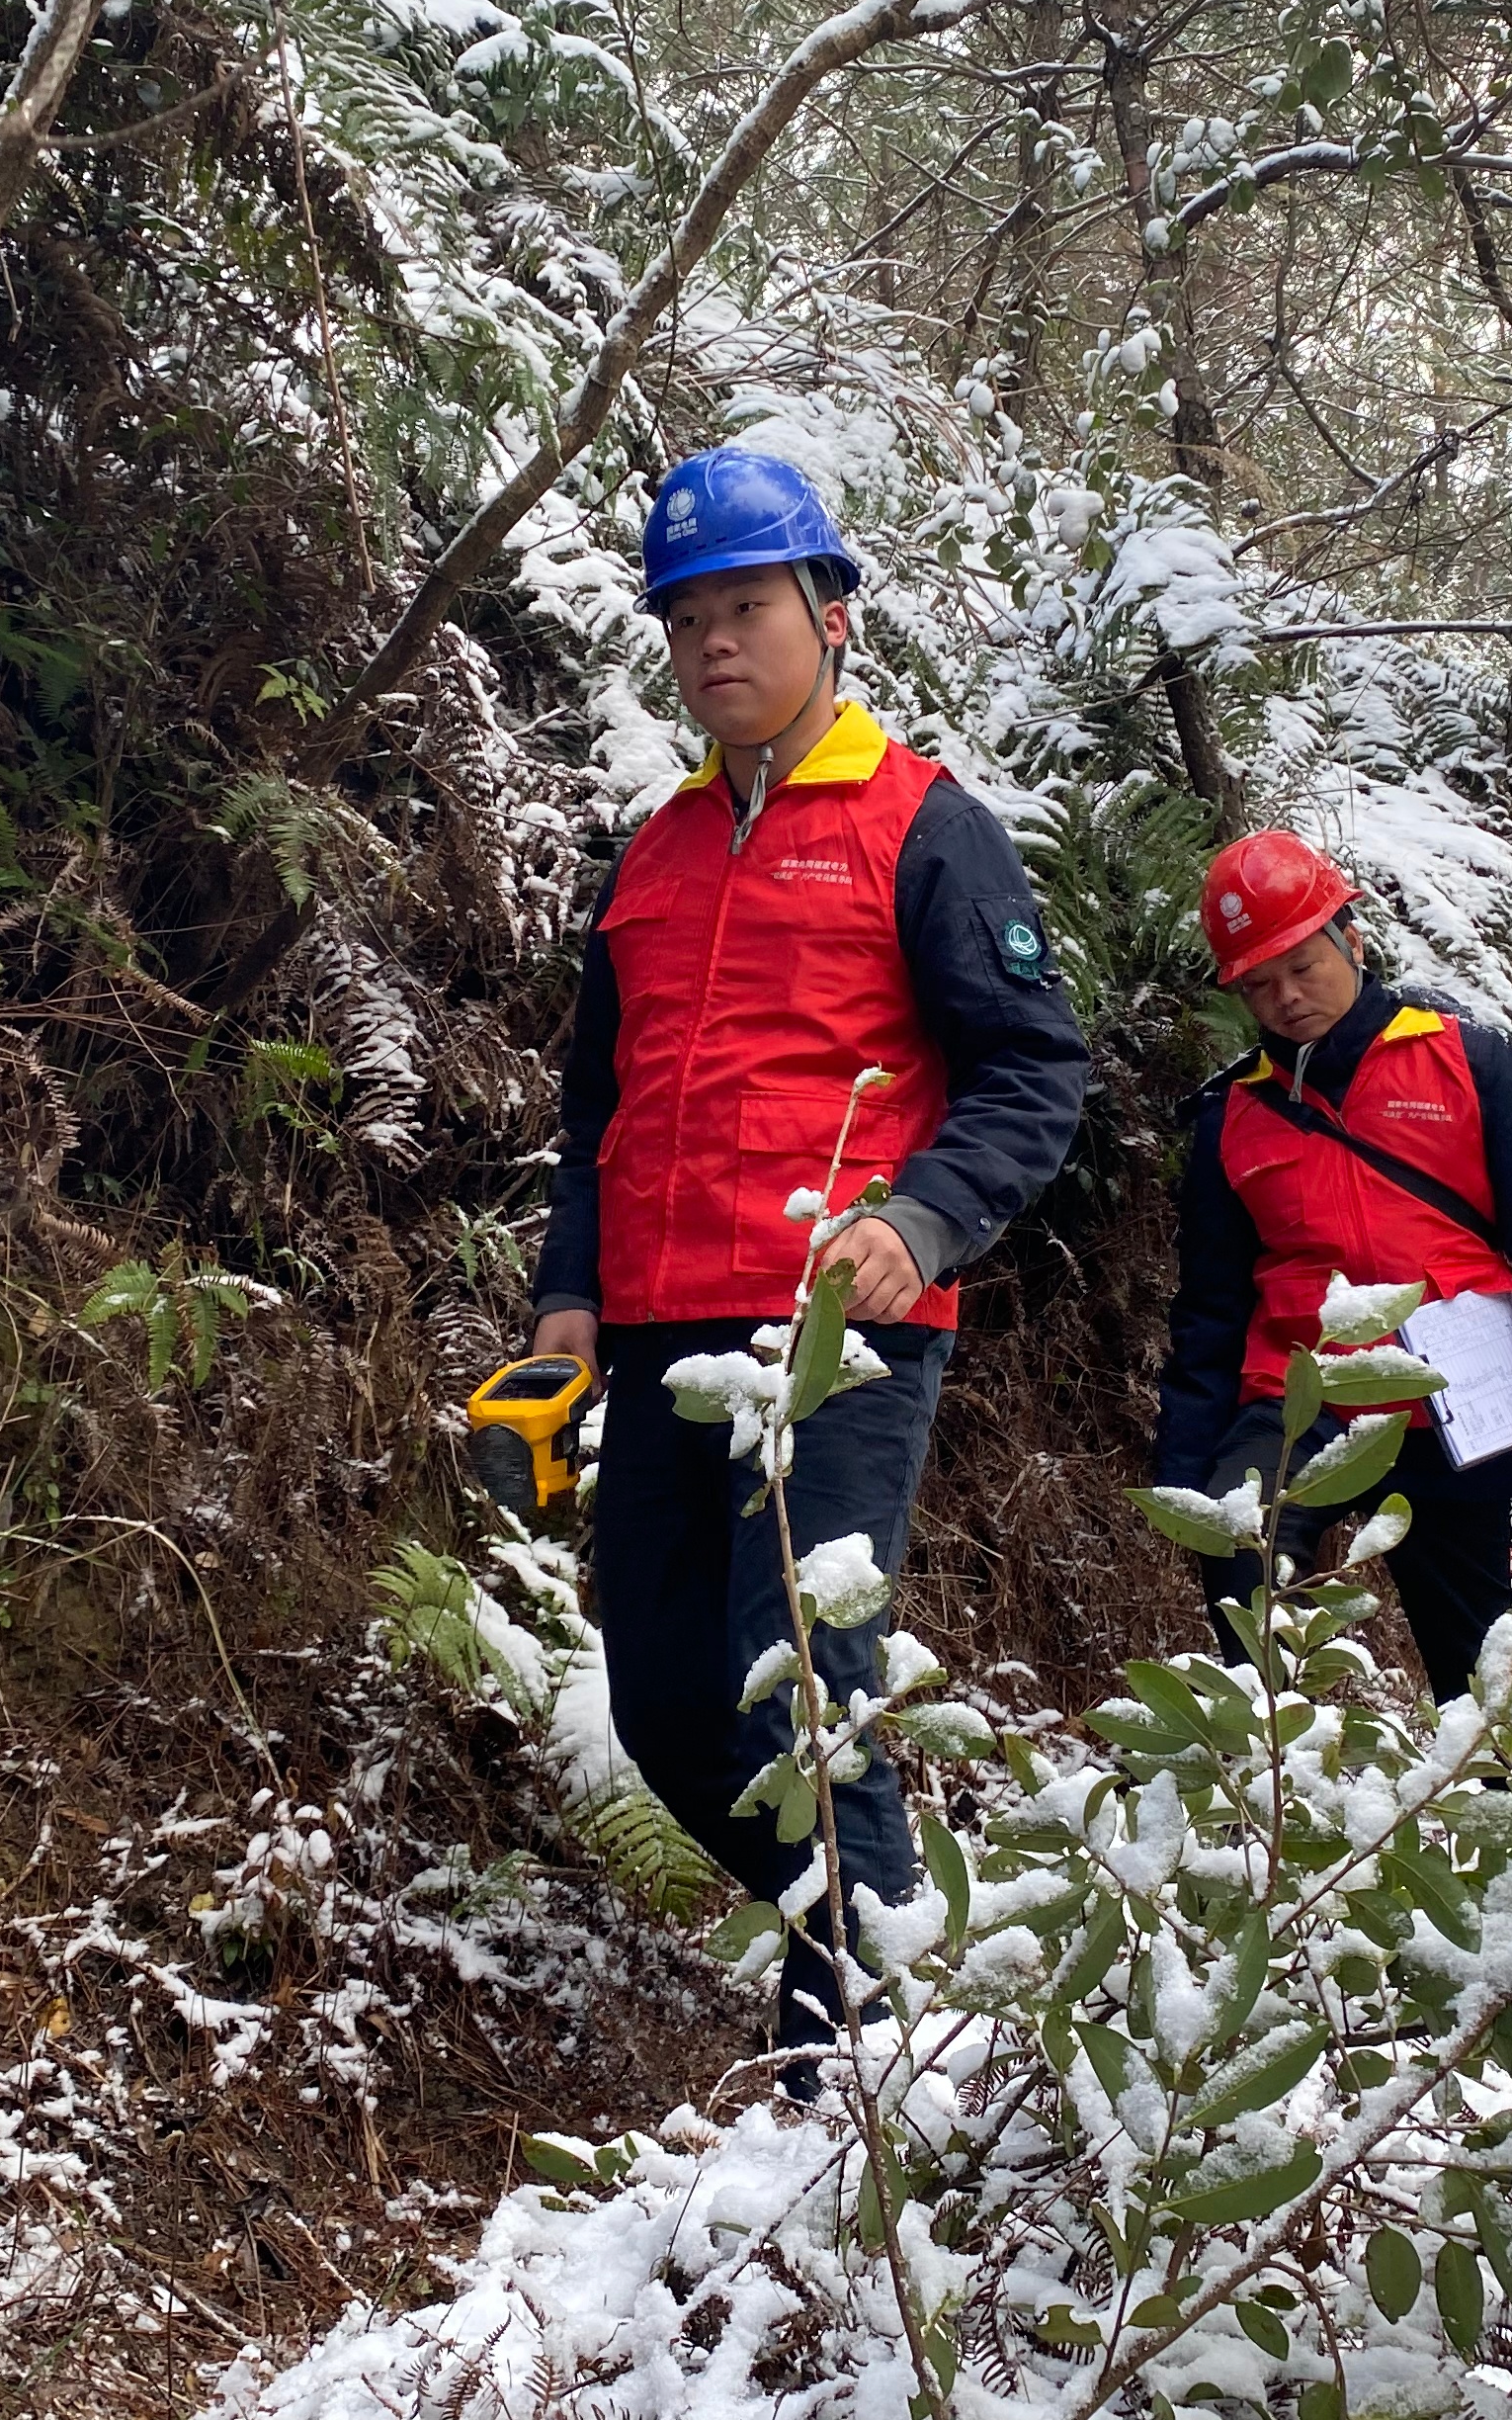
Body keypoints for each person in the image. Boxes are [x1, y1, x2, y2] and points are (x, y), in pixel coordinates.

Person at [525, 446, 1087, 2073]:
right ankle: (879, 1951)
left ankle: (852, 2056)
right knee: (660, 1704)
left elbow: (1037, 1067)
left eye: (747, 604)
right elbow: (599, 1116)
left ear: (828, 614)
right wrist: (567, 1301)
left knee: (799, 1688)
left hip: (835, 1328)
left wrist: (915, 1221)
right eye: (686, 615)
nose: (713, 641)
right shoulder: (652, 852)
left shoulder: (924, 826)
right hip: (650, 1334)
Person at [1152, 828, 1512, 1695]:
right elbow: (1211, 1309)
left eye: (1302, 967)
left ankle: (1489, 1808)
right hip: (1303, 1397)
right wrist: (1186, 1471)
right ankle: (1286, 1789)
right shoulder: (1233, 1117)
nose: (1287, 998)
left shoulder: (1466, 1060)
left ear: (1352, 941)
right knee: (1241, 1554)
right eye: (1259, 984)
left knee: (1480, 1670)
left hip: (1455, 1401)